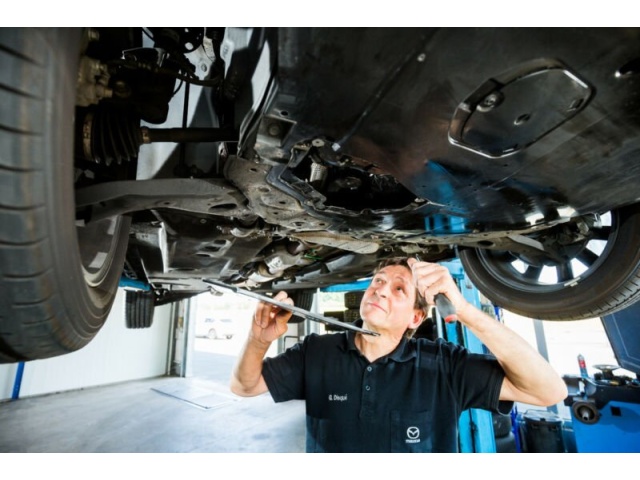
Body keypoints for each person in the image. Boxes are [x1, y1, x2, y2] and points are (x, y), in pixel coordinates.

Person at [230, 257, 568, 452]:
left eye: (398, 289)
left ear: (416, 318)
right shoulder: (318, 351)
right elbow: (244, 386)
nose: (380, 289)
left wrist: (464, 311)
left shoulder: (445, 366)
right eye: (378, 281)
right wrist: (259, 340)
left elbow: (548, 392)